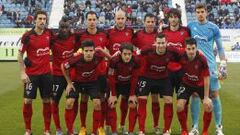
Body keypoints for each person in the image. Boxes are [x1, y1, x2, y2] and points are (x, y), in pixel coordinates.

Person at [188, 3, 227, 135]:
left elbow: (220, 47)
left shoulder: (213, 28)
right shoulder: (191, 26)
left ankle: (218, 127)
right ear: (195, 13)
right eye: (197, 12)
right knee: (194, 95)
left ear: (206, 13)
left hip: (210, 66)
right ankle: (194, 127)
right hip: (194, 67)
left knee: (214, 95)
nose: (200, 14)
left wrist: (222, 62)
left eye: (202, 11)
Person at [135, 33, 181, 135]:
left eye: (163, 43)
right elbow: (135, 56)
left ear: (167, 43)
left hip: (163, 78)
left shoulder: (172, 51)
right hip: (147, 77)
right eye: (159, 43)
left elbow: (183, 57)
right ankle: (141, 130)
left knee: (168, 100)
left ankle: (166, 130)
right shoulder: (147, 50)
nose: (161, 45)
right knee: (142, 99)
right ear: (155, 43)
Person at [61, 40, 110, 135]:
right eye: (86, 51)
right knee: (69, 103)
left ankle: (94, 132)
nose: (88, 53)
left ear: (94, 51)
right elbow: (63, 66)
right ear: (82, 51)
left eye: (91, 51)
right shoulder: (76, 59)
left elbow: (110, 58)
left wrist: (101, 50)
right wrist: (69, 82)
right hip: (77, 82)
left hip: (92, 82)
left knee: (97, 103)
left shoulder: (98, 56)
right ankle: (70, 131)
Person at [18, 10, 53, 135]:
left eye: (44, 19)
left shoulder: (49, 33)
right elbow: (20, 54)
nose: (42, 21)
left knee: (47, 100)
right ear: (35, 20)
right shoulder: (27, 36)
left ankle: (47, 129)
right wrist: (23, 72)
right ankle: (28, 130)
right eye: (40, 19)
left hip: (46, 74)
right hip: (31, 75)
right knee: (27, 101)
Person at [77, 11, 109, 135]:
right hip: (86, 75)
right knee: (83, 99)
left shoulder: (104, 35)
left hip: (101, 73)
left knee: (101, 100)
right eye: (89, 19)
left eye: (93, 19)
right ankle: (83, 127)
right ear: (86, 21)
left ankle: (100, 127)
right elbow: (76, 52)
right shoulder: (80, 36)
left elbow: (109, 51)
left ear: (97, 20)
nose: (91, 22)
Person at [161, 8, 190, 134]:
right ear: (168, 18)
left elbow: (189, 50)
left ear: (179, 18)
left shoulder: (185, 31)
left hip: (182, 71)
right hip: (167, 72)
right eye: (171, 17)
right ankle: (167, 129)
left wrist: (176, 50)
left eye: (175, 17)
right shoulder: (163, 31)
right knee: (168, 100)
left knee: (182, 101)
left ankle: (184, 128)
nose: (173, 19)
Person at [176, 38, 213, 135]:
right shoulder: (181, 55)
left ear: (196, 48)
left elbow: (206, 77)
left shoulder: (202, 59)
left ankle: (205, 131)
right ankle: (184, 130)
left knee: (208, 106)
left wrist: (206, 97)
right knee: (179, 106)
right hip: (186, 84)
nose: (191, 51)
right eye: (189, 49)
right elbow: (170, 51)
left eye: (193, 48)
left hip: (200, 85)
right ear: (185, 48)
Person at [132, 13, 161, 134]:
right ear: (144, 22)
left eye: (152, 21)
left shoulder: (159, 35)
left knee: (155, 100)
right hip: (142, 73)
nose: (150, 24)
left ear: (155, 23)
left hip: (156, 73)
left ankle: (156, 126)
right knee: (142, 100)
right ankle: (141, 129)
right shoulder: (138, 34)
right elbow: (132, 46)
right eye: (148, 21)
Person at [106, 10, 134, 134]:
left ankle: (122, 125)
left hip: (127, 71)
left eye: (122, 18)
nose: (120, 21)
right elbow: (103, 47)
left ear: (126, 19)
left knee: (125, 102)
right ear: (115, 19)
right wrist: (110, 57)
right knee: (111, 101)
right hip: (113, 71)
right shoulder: (109, 32)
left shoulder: (130, 32)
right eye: (118, 18)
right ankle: (109, 126)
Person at [50, 19, 80, 135]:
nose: (64, 30)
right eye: (61, 27)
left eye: (66, 27)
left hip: (71, 76)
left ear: (70, 27)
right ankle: (58, 129)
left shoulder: (74, 38)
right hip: (57, 75)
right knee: (54, 102)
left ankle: (70, 128)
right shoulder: (53, 40)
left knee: (73, 101)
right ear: (58, 27)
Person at [107, 43, 141, 135]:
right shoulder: (114, 61)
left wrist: (132, 94)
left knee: (133, 104)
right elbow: (111, 77)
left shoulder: (136, 60)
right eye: (125, 54)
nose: (127, 56)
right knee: (112, 103)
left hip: (129, 84)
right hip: (116, 84)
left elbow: (135, 77)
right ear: (120, 53)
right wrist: (113, 94)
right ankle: (114, 131)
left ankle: (129, 131)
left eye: (129, 54)